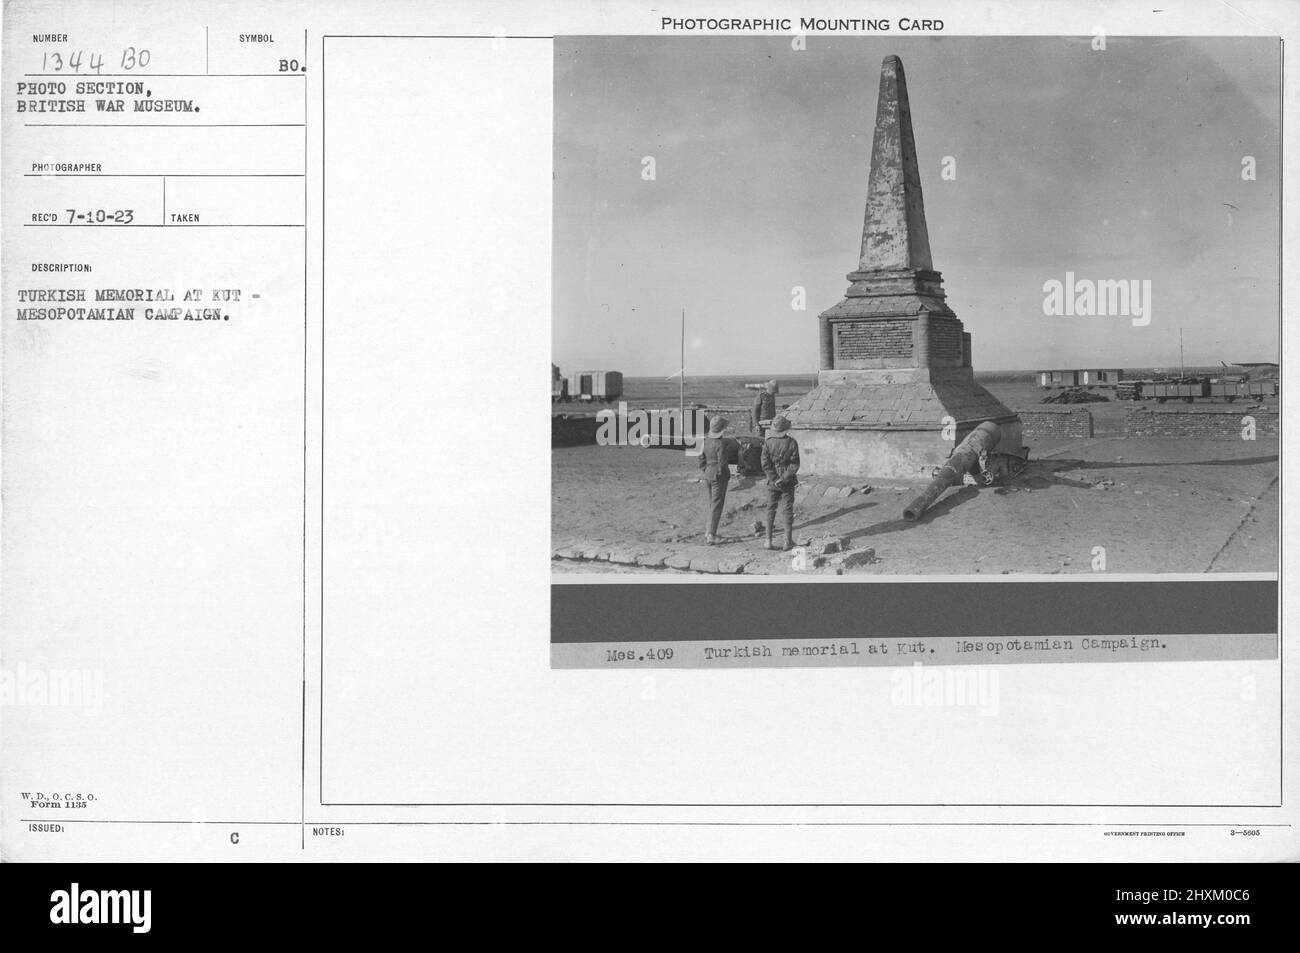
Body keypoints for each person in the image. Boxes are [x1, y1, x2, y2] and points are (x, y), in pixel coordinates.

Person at [697, 416, 739, 544]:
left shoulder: (705, 442)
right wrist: (724, 474)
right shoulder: (720, 444)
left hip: (708, 474)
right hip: (718, 476)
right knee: (717, 506)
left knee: (712, 504)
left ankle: (708, 531)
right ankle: (711, 535)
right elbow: (722, 463)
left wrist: (706, 470)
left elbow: (701, 460)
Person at [761, 415, 800, 551]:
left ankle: (768, 541)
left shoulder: (768, 443)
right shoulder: (792, 442)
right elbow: (795, 464)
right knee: (787, 510)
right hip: (787, 482)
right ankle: (788, 541)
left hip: (772, 482)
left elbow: (765, 464)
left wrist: (774, 478)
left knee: (770, 509)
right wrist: (783, 478)